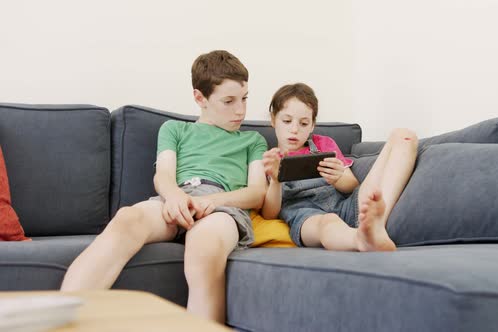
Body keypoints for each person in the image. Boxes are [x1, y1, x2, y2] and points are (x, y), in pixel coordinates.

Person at [61, 50, 268, 324]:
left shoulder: (253, 140)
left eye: (244, 99)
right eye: (228, 101)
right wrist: (173, 197)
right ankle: (61, 321)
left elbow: (256, 193)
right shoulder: (174, 130)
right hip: (176, 196)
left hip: (222, 208)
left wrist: (214, 202)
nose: (240, 110)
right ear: (200, 98)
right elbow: (163, 176)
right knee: (127, 218)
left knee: (204, 244)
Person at [261, 83, 417, 251]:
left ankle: (377, 227)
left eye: (304, 123)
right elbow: (269, 214)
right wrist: (276, 181)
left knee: (403, 136)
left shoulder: (324, 144)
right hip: (307, 215)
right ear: (273, 120)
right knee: (328, 221)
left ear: (312, 125)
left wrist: (338, 177)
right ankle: (360, 239)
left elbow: (351, 185)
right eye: (286, 121)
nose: (294, 129)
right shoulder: (268, 159)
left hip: (346, 205)